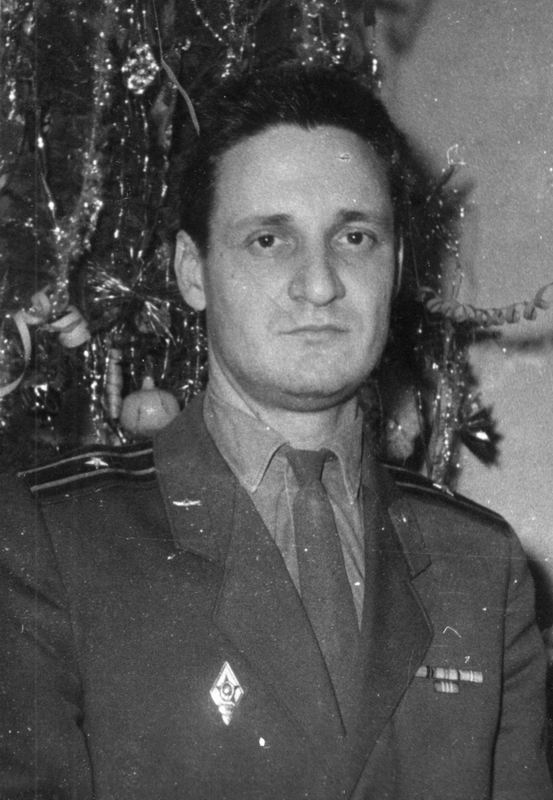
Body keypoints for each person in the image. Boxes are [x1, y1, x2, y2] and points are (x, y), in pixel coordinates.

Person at [0, 65, 551, 800]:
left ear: (394, 268)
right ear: (193, 271)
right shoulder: (54, 538)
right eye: (268, 240)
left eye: (354, 236)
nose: (319, 284)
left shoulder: (478, 562)